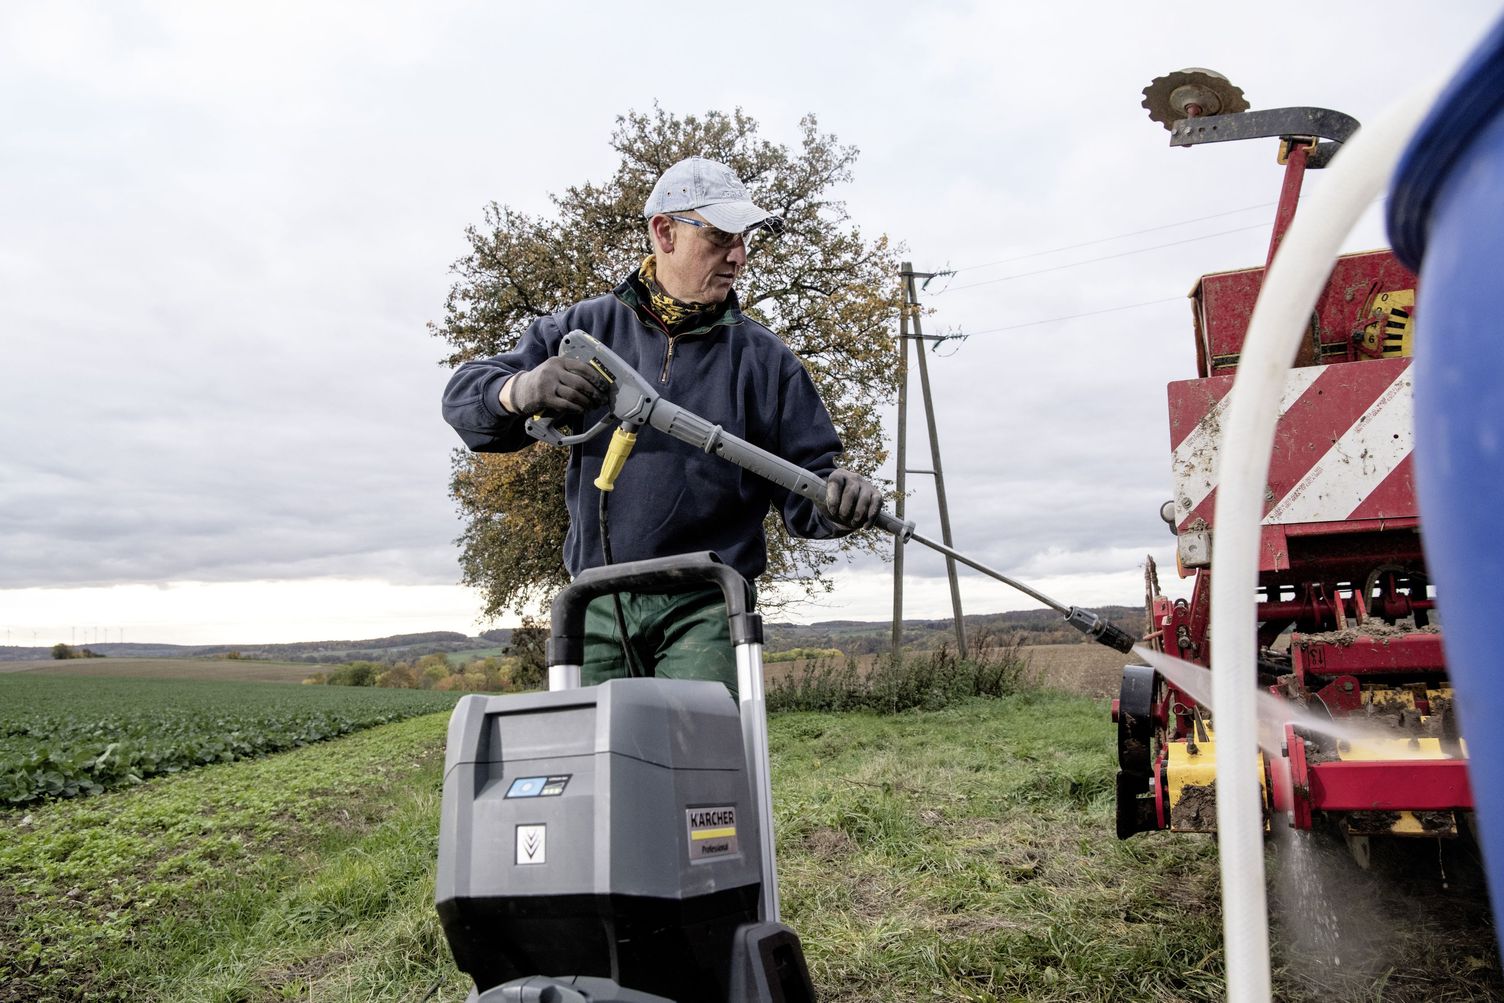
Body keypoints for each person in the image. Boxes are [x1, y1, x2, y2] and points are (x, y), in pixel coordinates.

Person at [442, 156, 882, 697]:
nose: (739, 256)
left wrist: (841, 495)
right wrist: (522, 389)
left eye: (743, 240)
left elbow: (808, 488)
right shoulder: (585, 328)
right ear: (664, 232)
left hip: (708, 602)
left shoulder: (766, 361)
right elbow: (464, 401)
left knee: (698, 760)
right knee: (602, 766)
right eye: (721, 237)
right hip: (597, 601)